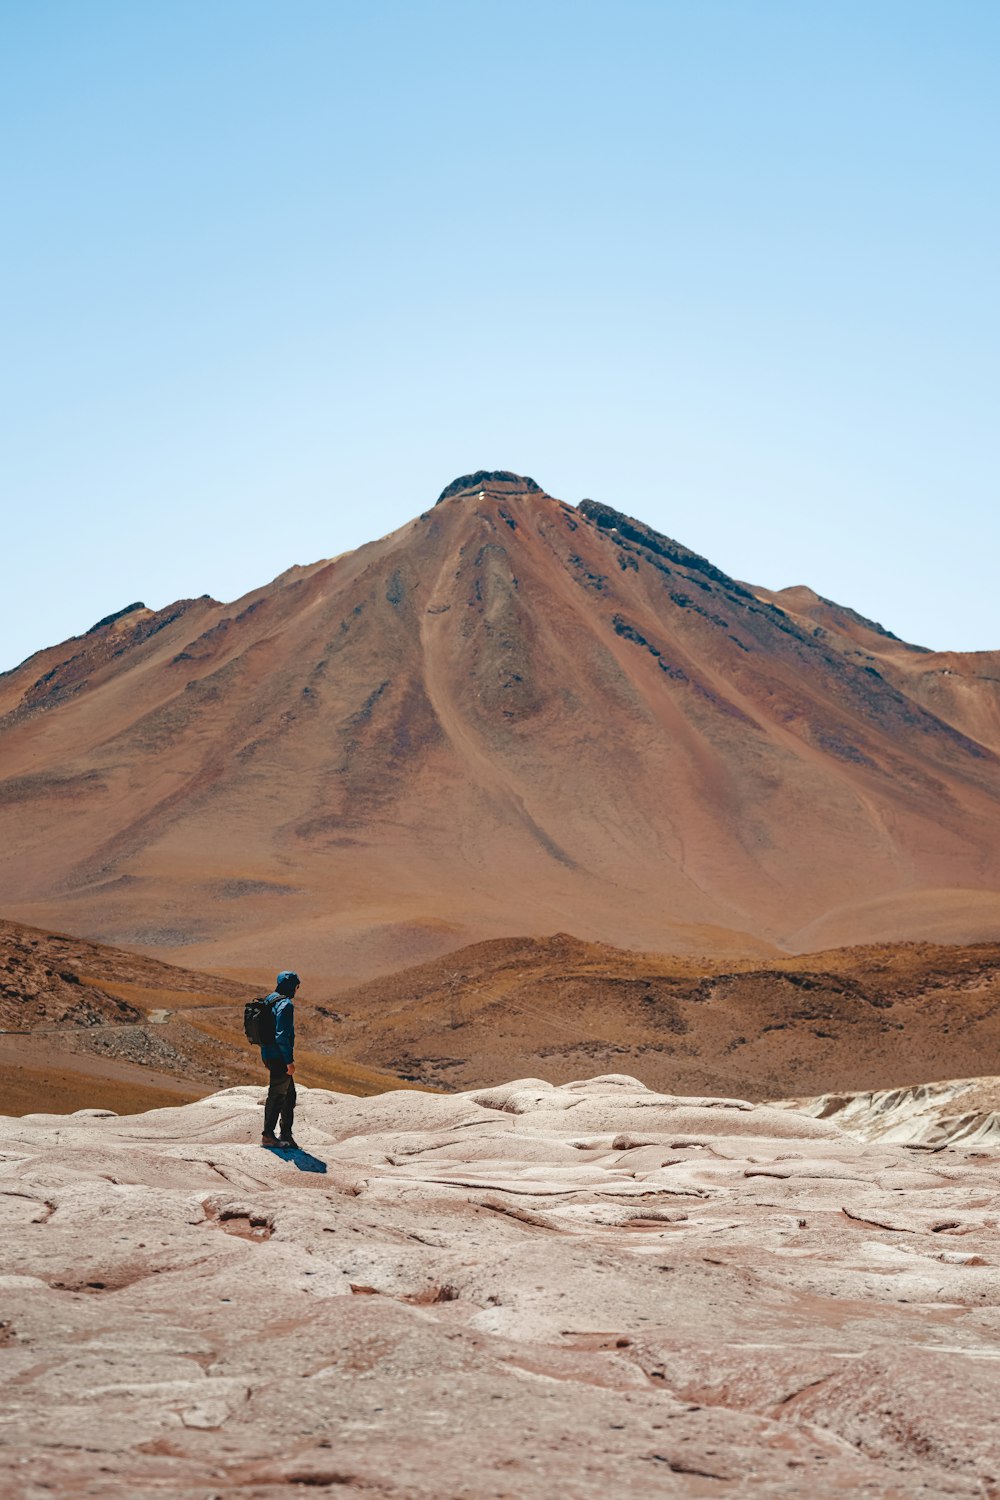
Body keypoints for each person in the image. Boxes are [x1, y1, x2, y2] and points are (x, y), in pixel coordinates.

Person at [260, 970, 300, 1149]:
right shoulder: (285, 1005)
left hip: (267, 1053)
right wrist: (289, 1062)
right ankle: (268, 1136)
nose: (297, 990)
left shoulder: (270, 999)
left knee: (289, 1095)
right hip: (278, 1057)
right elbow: (282, 1036)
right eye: (297, 987)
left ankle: (286, 1134)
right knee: (277, 1096)